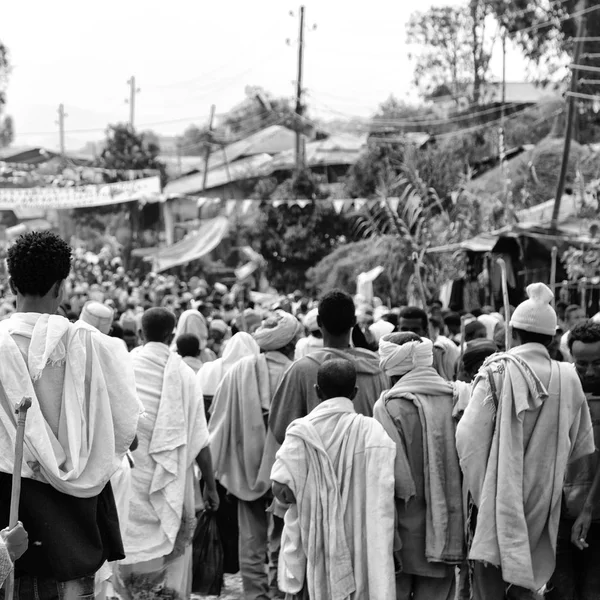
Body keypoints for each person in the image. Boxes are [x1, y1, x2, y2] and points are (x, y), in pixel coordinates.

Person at [0, 232, 141, 600]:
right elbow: (128, 434)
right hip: (78, 530)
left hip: (12, 520)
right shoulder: (94, 346)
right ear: (61, 287)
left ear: (10, 281)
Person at [456, 283, 595, 599]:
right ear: (551, 338)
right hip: (544, 501)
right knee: (528, 586)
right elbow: (581, 445)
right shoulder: (567, 375)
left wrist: (487, 490)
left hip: (495, 501)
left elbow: (467, 439)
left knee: (490, 587)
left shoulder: (495, 371)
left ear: (513, 333)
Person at [272, 359, 397, 600]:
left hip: (313, 541)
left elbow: (281, 490)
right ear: (354, 392)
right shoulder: (372, 430)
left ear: (317, 391)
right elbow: (385, 488)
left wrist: (313, 497)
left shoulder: (301, 431)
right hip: (360, 537)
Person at [117, 308, 219, 600]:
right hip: (171, 482)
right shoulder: (186, 376)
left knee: (126, 561)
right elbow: (200, 440)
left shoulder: (124, 366)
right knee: (169, 574)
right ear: (172, 335)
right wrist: (210, 488)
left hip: (129, 483)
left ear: (139, 334)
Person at [209, 311, 302, 600]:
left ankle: (255, 595)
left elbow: (218, 421)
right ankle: (278, 590)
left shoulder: (239, 370)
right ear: (289, 344)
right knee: (287, 535)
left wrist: (223, 469)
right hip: (290, 469)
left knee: (251, 539)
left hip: (246, 469)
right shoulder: (299, 371)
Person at [374, 333, 465, 600]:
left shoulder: (389, 407)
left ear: (391, 370)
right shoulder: (457, 398)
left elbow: (384, 477)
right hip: (446, 529)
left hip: (400, 536)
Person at [269, 290, 389, 445]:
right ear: (353, 321)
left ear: (319, 322)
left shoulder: (301, 370)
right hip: (366, 463)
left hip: (317, 466)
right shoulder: (377, 368)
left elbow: (281, 430)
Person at [546, 321, 600, 599]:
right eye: (582, 364)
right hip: (561, 514)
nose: (589, 372)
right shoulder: (557, 393)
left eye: (597, 363)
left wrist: (589, 509)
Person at [398, 307, 458, 381]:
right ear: (398, 329)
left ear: (425, 331)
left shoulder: (443, 350)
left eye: (415, 330)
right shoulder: (392, 354)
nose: (409, 334)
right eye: (404, 329)